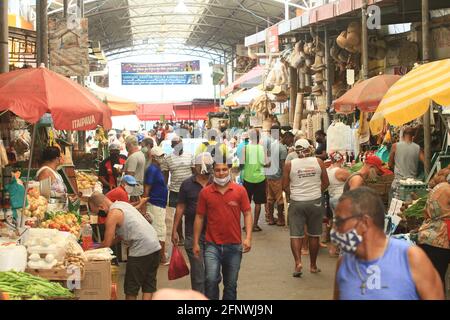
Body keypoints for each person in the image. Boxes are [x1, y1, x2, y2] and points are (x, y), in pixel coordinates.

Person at [332, 187, 444, 300]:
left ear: (364, 223)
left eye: (340, 221)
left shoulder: (411, 259)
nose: (335, 229)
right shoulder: (343, 264)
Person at [193, 159, 252, 300]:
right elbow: (199, 217)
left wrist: (248, 237)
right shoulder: (205, 193)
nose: (221, 173)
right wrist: (195, 242)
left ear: (229, 170)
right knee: (211, 280)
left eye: (224, 169)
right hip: (211, 245)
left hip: (234, 246)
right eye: (218, 170)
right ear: (213, 171)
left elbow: (248, 213)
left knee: (231, 284)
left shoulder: (240, 190)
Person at [88, 192, 161, 300]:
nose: (100, 216)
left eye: (98, 212)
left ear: (101, 207)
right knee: (148, 285)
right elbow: (119, 237)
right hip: (155, 246)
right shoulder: (122, 204)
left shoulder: (112, 215)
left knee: (131, 288)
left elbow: (106, 244)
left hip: (141, 250)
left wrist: (90, 251)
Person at [283, 139, 330, 277]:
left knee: (295, 234)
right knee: (314, 235)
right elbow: (326, 183)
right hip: (315, 201)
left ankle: (298, 263)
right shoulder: (319, 162)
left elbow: (284, 186)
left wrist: (294, 194)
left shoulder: (289, 165)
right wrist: (316, 191)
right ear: (309, 148)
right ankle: (313, 265)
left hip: (297, 202)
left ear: (296, 151)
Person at [171, 152, 214, 294]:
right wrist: (174, 230)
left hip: (214, 235)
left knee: (212, 275)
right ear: (194, 167)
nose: (203, 168)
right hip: (192, 235)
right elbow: (180, 207)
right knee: (198, 275)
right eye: (200, 165)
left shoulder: (216, 182)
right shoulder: (187, 184)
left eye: (207, 165)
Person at [161, 136, 194, 248]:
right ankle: (181, 237)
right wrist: (163, 190)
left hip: (189, 190)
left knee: (190, 214)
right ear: (172, 146)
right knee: (177, 216)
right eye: (176, 144)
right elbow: (165, 176)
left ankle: (191, 236)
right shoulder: (168, 159)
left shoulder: (190, 156)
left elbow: (195, 173)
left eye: (180, 144)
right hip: (175, 190)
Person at [416, 181, 450, 285]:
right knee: (437, 280)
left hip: (427, 233)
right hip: (439, 240)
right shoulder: (447, 191)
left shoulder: (441, 186)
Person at [144, 146, 169, 265]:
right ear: (153, 157)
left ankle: (159, 255)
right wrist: (144, 205)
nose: (162, 158)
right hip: (155, 203)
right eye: (160, 156)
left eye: (162, 156)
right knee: (160, 231)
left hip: (159, 204)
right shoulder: (152, 169)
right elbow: (147, 189)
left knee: (159, 230)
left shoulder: (156, 168)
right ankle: (161, 257)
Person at [242, 129, 270, 232]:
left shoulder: (245, 148)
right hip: (260, 179)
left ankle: (246, 225)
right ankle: (255, 225)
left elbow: (241, 163)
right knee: (258, 203)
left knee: (246, 203)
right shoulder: (262, 149)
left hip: (248, 178)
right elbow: (267, 163)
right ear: (259, 138)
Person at [388, 127, 424, 200]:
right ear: (413, 137)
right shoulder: (418, 148)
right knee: (408, 207)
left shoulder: (395, 146)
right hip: (411, 185)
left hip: (398, 183)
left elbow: (390, 164)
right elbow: (426, 163)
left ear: (402, 136)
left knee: (395, 208)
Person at [326, 151, 351, 256]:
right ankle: (339, 249)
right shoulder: (340, 171)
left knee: (336, 224)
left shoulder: (327, 170)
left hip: (332, 198)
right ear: (341, 160)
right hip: (340, 199)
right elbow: (353, 178)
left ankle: (335, 247)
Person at [265, 125, 288, 226]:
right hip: (278, 176)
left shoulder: (269, 147)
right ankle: (280, 219)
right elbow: (283, 166)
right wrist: (285, 178)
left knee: (270, 198)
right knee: (279, 199)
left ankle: (270, 218)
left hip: (269, 175)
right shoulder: (282, 148)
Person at [123, 135, 146, 204]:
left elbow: (130, 175)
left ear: (129, 144)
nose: (125, 146)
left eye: (126, 144)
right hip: (138, 187)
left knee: (134, 208)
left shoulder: (133, 157)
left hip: (133, 190)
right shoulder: (140, 154)